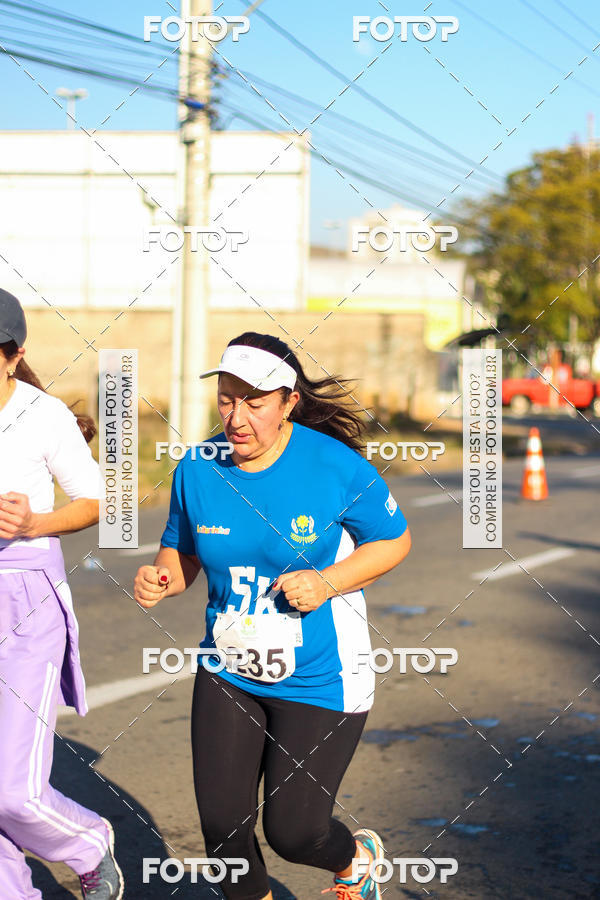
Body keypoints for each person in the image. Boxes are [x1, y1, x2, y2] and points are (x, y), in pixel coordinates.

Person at [134, 333, 411, 900]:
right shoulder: (198, 468)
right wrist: (161, 578)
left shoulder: (333, 466)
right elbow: (182, 553)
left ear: (288, 402)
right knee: (223, 833)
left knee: (296, 833)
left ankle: (356, 858)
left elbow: (394, 542)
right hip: (228, 668)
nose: (237, 417)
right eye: (228, 399)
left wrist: (327, 582)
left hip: (321, 674)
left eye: (254, 402)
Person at [0, 288, 124, 900]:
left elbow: (95, 502)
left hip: (24, 601)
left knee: (11, 791)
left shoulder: (42, 416)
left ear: (13, 354)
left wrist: (33, 523)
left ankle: (86, 843)